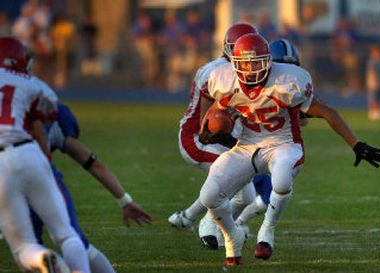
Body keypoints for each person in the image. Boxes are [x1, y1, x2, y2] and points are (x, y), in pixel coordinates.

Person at [200, 33, 380, 266]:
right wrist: (209, 127)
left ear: (268, 61)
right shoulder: (225, 80)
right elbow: (218, 111)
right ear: (235, 64)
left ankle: (267, 231)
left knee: (282, 179)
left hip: (283, 143)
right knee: (208, 195)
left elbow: (326, 111)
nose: (250, 69)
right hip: (247, 146)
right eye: (245, 63)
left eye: (256, 62)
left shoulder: (287, 80)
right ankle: (232, 236)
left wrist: (355, 144)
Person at [169, 23, 272, 250]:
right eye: (245, 55)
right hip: (199, 137)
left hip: (219, 138)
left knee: (244, 197)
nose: (250, 61)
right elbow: (210, 124)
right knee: (236, 183)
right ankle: (207, 225)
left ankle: (186, 218)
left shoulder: (239, 70)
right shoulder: (218, 73)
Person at [0, 36, 90, 272]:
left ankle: (42, 257)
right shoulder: (35, 84)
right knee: (66, 234)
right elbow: (43, 123)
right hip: (28, 150)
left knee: (23, 248)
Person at [30, 102, 153, 273]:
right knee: (72, 239)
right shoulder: (44, 99)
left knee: (27, 248)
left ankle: (48, 261)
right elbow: (92, 163)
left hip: (5, 177)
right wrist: (125, 201)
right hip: (40, 175)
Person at [235, 38, 302, 229]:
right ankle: (224, 225)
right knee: (242, 195)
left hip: (275, 150)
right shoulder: (251, 87)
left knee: (269, 194)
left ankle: (236, 223)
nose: (287, 72)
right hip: (249, 150)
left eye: (291, 67)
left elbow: (309, 112)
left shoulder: (291, 88)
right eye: (282, 65)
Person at [366, 45, 380, 120]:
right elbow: (372, 72)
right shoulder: (372, 61)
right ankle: (372, 113)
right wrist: (375, 82)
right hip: (374, 84)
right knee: (373, 98)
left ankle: (377, 112)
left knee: (379, 98)